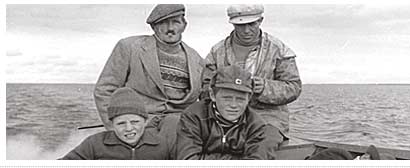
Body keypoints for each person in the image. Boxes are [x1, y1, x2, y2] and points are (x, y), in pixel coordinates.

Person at [94, 4, 205, 147]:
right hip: (138, 128)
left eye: (175, 22)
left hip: (179, 130)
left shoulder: (197, 60)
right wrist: (116, 129)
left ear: (184, 25)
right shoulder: (130, 47)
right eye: (163, 23)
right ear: (154, 26)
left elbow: (205, 102)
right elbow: (104, 90)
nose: (170, 28)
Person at [201, 4, 302, 149]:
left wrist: (265, 88)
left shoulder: (279, 50)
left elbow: (294, 87)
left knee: (262, 144)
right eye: (240, 25)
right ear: (232, 23)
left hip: (268, 118)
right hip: (224, 117)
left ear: (260, 20)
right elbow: (205, 90)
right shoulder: (217, 52)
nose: (246, 30)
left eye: (251, 24)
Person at [177, 65, 276, 160]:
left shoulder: (256, 126)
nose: (233, 105)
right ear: (212, 95)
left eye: (240, 99)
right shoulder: (193, 116)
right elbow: (188, 160)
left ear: (248, 99)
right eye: (227, 98)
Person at [61, 87, 173, 160]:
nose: (128, 128)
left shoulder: (164, 145)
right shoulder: (94, 144)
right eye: (121, 123)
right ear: (111, 124)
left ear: (145, 121)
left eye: (135, 122)